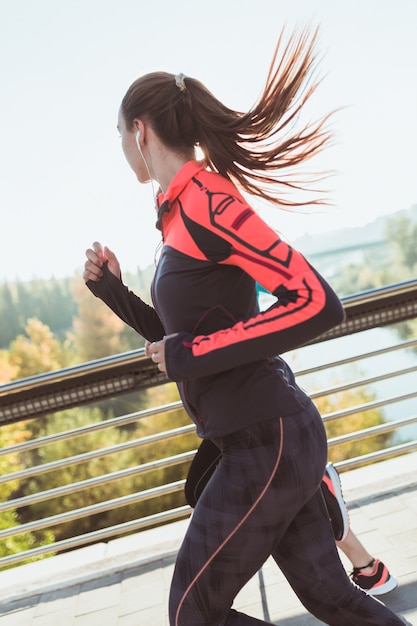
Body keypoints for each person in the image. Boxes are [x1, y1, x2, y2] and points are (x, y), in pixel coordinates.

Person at [83, 26, 407, 626]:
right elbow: (183, 342)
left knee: (192, 612)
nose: (122, 148)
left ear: (140, 131)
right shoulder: (177, 211)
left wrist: (193, 351)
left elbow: (316, 302)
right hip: (256, 439)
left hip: (269, 437)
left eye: (119, 136)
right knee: (332, 599)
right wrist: (114, 293)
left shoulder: (209, 200)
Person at [185, 438, 398, 597]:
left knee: (198, 492)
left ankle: (315, 489)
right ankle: (368, 568)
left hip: (239, 410)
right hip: (254, 410)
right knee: (267, 489)